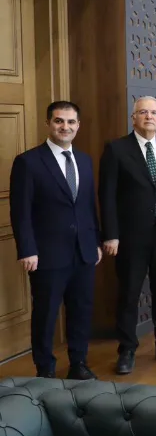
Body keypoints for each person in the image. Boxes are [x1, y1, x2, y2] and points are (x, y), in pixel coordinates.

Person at [99, 96, 156, 374]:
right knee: (129, 293)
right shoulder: (116, 149)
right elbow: (107, 196)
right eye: (143, 112)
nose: (149, 116)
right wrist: (111, 234)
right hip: (131, 236)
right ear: (134, 118)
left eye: (153, 112)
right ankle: (127, 349)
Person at [11, 101, 100, 379]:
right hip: (47, 254)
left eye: (71, 122)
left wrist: (96, 242)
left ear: (78, 125)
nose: (65, 127)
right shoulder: (28, 162)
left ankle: (78, 363)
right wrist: (27, 249)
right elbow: (20, 211)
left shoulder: (84, 160)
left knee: (81, 310)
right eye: (59, 121)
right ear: (48, 123)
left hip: (84, 251)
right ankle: (45, 369)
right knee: (46, 314)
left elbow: (88, 206)